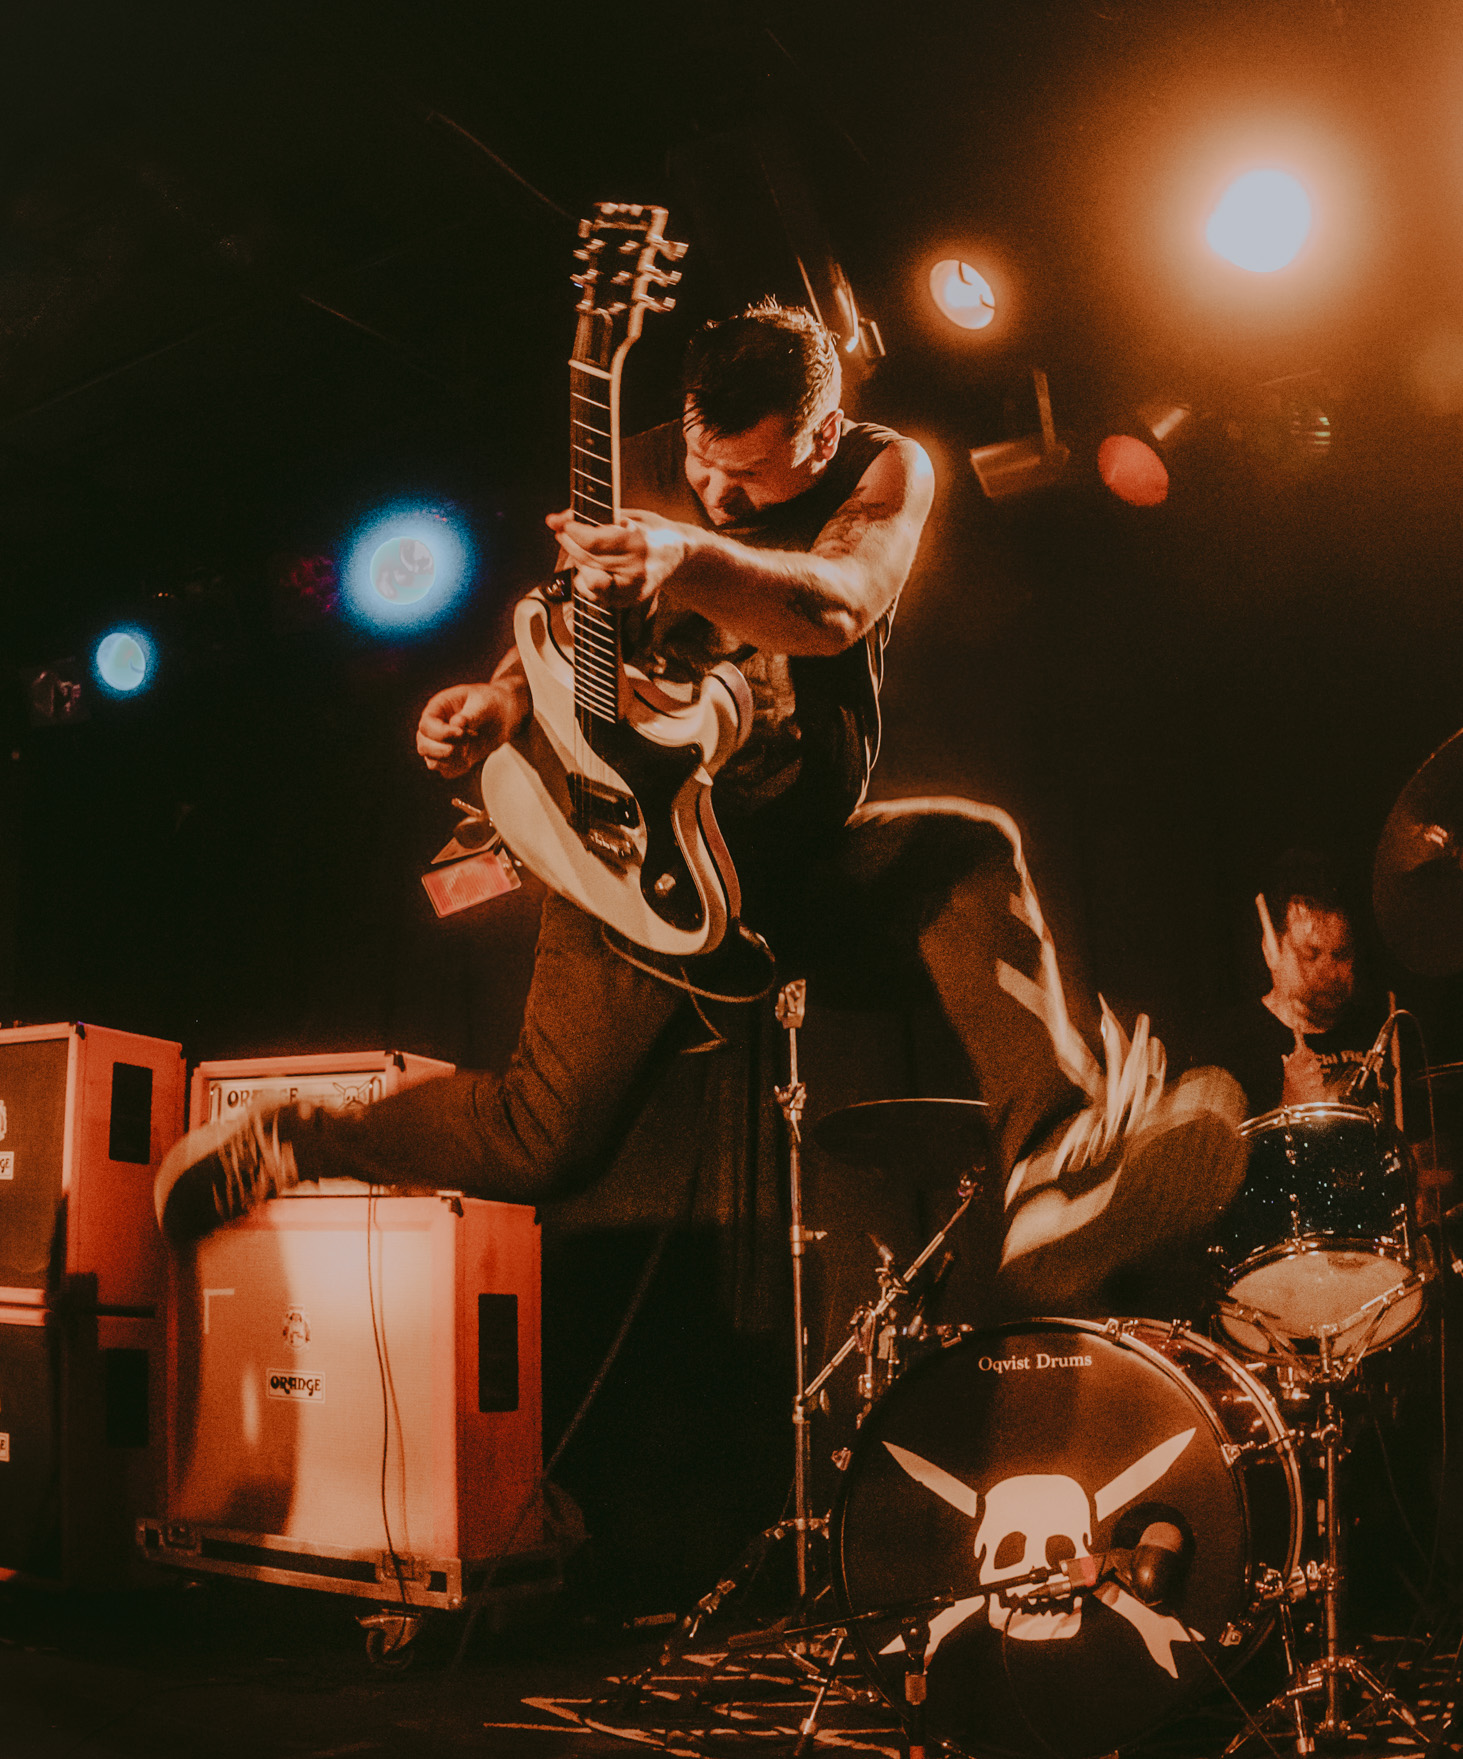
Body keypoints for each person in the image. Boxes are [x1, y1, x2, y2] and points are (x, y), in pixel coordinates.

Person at [156, 300, 1246, 1306]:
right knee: (541, 1147)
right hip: (633, 863)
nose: (717, 493)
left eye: (750, 476)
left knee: (964, 854)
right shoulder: (633, 469)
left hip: (786, 850)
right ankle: (300, 1138)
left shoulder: (879, 467)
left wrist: (682, 552)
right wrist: (495, 703)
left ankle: (1051, 1172)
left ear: (820, 436)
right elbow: (556, 624)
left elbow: (836, 606)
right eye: (701, 465)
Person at [1193, 851, 1390, 1118]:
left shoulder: (1378, 1031)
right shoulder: (1234, 1043)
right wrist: (1288, 1108)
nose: (1329, 971)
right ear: (1270, 949)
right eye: (1310, 955)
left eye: (1341, 954)